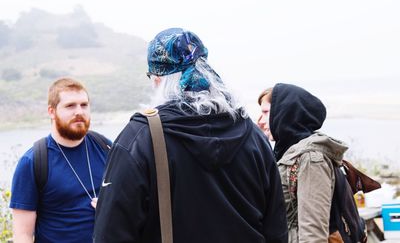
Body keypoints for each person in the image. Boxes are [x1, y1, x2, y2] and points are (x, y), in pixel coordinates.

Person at [93, 28, 288, 243]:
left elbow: (111, 234)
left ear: (158, 79)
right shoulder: (253, 136)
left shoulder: (140, 138)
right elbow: (276, 230)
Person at [10, 77, 111, 243]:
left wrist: (110, 205)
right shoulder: (33, 162)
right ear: (51, 112)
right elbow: (23, 235)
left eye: (84, 105)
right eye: (70, 106)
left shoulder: (105, 147)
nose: (79, 111)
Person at [257, 83, 349, 243]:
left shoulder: (311, 158)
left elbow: (313, 233)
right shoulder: (287, 153)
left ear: (284, 113)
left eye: (265, 112)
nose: (259, 121)